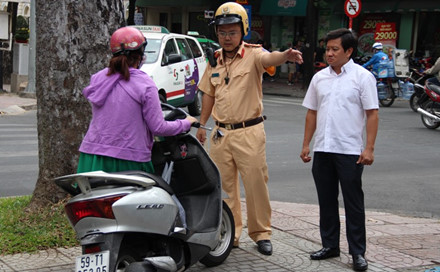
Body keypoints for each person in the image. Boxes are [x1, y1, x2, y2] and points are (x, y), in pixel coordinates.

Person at [195, 2, 303, 256]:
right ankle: (230, 233)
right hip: (220, 134)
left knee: (256, 185)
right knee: (224, 187)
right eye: (222, 32)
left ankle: (261, 233)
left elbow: (269, 58)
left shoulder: (254, 54)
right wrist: (201, 123)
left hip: (249, 132)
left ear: (243, 30)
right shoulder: (214, 59)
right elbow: (209, 94)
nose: (227, 37)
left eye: (232, 32)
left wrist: (284, 55)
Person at [300, 28, 379, 271]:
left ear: (349, 51)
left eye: (335, 49)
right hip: (323, 148)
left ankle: (358, 253)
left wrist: (369, 148)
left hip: (349, 151)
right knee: (326, 200)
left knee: (353, 202)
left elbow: (372, 113)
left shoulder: (362, 77)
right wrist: (306, 144)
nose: (330, 53)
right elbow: (312, 112)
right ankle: (330, 245)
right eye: (328, 49)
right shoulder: (319, 77)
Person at [77, 26, 197, 174]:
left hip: (91, 157)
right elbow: (158, 128)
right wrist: (186, 123)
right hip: (128, 160)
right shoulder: (144, 83)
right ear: (141, 54)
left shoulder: (99, 78)